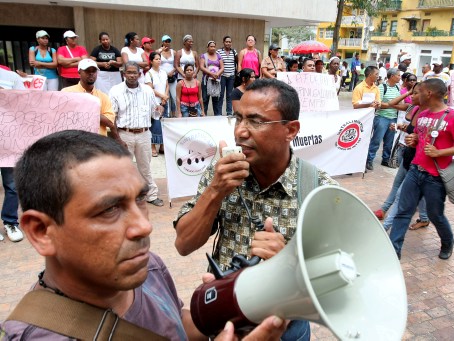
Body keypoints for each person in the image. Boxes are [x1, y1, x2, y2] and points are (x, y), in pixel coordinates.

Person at [0, 130, 286, 340]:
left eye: (139, 200)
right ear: (41, 231)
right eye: (110, 209)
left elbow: (175, 326)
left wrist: (236, 303)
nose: (144, 227)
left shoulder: (148, 266)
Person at [173, 78, 338, 341]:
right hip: (222, 318)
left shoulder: (320, 191)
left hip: (285, 328)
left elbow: (334, 276)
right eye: (238, 118)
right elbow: (183, 244)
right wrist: (215, 191)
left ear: (291, 129)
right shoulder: (223, 172)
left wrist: (289, 264)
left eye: (256, 121)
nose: (240, 131)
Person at [390, 79, 454, 260]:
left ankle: (447, 241)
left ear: (429, 93)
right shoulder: (423, 114)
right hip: (415, 170)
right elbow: (420, 137)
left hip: (435, 177)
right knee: (404, 212)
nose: (415, 96)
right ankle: (393, 251)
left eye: (419, 92)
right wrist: (414, 140)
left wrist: (440, 152)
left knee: (436, 215)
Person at [374, 83, 429, 231]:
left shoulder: (429, 115)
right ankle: (424, 218)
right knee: (401, 188)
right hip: (407, 155)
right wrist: (401, 127)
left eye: (416, 93)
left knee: (401, 195)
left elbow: (425, 138)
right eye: (412, 92)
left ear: (426, 94)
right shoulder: (414, 108)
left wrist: (417, 139)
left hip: (418, 162)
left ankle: (385, 226)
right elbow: (391, 104)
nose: (412, 96)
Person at [109, 61, 165, 207]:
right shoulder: (115, 91)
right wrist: (116, 138)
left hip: (144, 133)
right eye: (129, 72)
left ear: (140, 74)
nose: (132, 75)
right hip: (124, 133)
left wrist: (159, 109)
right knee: (124, 167)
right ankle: (124, 198)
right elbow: (112, 116)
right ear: (123, 74)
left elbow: (154, 113)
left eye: (135, 73)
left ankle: (151, 195)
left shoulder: (148, 91)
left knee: (145, 167)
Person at [61, 59, 120, 141]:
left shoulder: (103, 96)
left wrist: (84, 112)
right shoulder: (67, 92)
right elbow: (63, 117)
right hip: (75, 141)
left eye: (94, 71)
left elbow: (110, 122)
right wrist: (95, 114)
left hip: (98, 142)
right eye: (87, 71)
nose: (91, 73)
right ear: (79, 72)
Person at [0, 67, 25, 243]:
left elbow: (25, 104)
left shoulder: (11, 77)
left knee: (12, 185)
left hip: (9, 140)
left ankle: (10, 222)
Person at [365, 68, 401, 171]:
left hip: (393, 118)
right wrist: (394, 105)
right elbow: (379, 104)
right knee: (376, 140)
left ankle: (385, 159)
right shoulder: (381, 87)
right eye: (398, 75)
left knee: (389, 141)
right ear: (392, 76)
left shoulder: (397, 88)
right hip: (382, 117)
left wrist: (392, 105)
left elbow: (397, 104)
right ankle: (369, 160)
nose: (399, 77)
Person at [145, 52, 170, 156]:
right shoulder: (148, 74)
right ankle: (153, 146)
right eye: (156, 59)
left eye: (159, 59)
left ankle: (162, 146)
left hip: (164, 101)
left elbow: (167, 85)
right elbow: (150, 89)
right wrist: (162, 96)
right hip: (154, 102)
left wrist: (166, 96)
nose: (159, 61)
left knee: (164, 124)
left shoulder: (163, 72)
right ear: (151, 61)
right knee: (154, 125)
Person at [200, 41, 224, 116]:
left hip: (216, 80)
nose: (213, 48)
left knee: (216, 99)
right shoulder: (204, 56)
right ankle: (204, 115)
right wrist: (211, 74)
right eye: (211, 46)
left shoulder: (218, 56)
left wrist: (217, 74)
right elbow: (201, 67)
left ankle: (217, 116)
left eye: (214, 46)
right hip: (206, 81)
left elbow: (222, 67)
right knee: (205, 99)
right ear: (207, 47)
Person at [156, 34, 178, 117]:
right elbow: (154, 57)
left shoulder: (173, 52)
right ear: (162, 42)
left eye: (169, 41)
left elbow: (177, 64)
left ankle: (175, 114)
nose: (167, 43)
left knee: (174, 96)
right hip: (162, 77)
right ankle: (166, 115)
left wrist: (173, 71)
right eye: (166, 41)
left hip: (172, 76)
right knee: (165, 96)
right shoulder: (159, 51)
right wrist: (161, 50)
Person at [217, 36, 237, 116]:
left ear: (231, 43)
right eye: (226, 42)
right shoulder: (219, 51)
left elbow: (237, 62)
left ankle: (229, 113)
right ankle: (219, 113)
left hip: (231, 76)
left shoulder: (234, 52)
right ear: (223, 42)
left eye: (229, 42)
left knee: (229, 95)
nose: (228, 43)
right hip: (222, 76)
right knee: (221, 95)